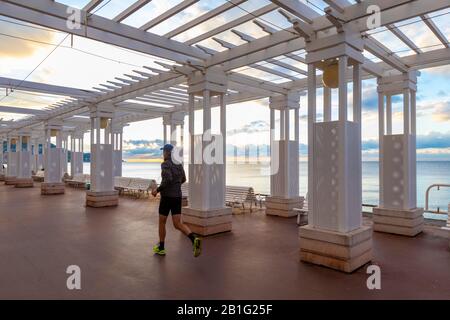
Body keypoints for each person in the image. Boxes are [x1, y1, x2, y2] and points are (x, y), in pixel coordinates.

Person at [151, 144, 202, 257]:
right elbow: (183, 179)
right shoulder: (179, 164)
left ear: (168, 153)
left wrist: (157, 190)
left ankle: (161, 247)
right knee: (177, 223)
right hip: (177, 196)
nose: (163, 153)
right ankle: (194, 238)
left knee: (162, 222)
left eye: (164, 151)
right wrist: (175, 185)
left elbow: (167, 179)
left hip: (167, 198)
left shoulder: (165, 164)